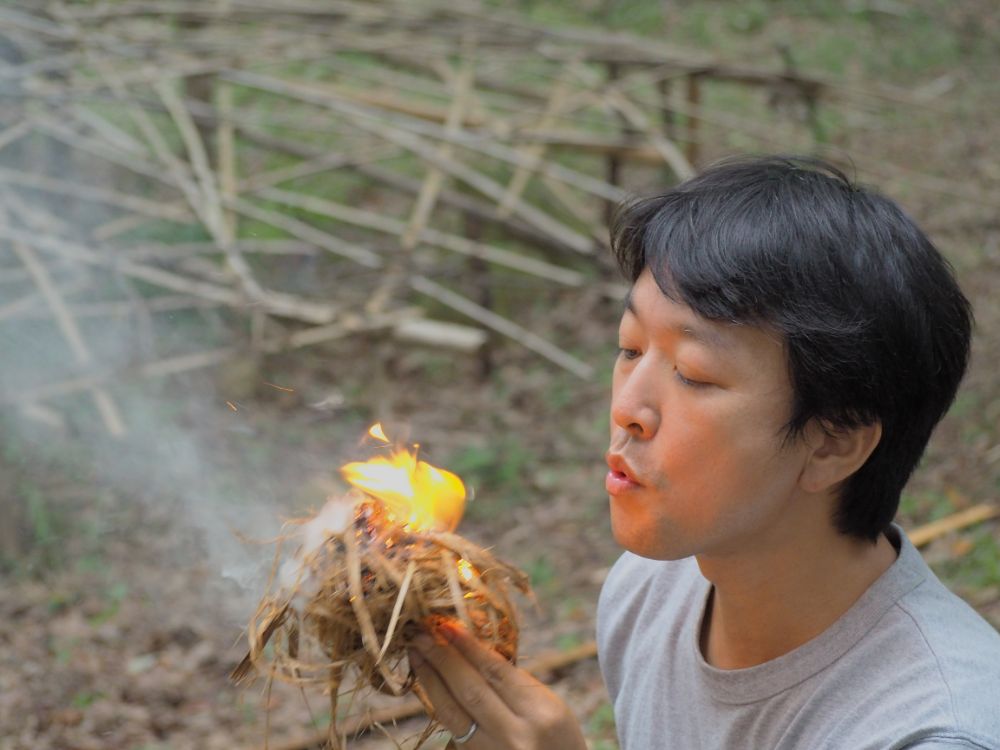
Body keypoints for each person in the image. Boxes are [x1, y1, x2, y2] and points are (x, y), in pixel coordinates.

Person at [407, 156, 1000, 749]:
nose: (628, 409)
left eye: (693, 374)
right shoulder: (648, 592)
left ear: (833, 443)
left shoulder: (936, 730)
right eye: (630, 349)